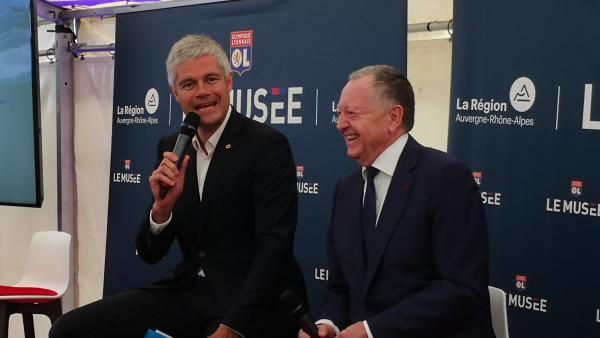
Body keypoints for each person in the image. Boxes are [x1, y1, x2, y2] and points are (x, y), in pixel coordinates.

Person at [50, 34, 306, 338]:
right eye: (189, 84)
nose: (202, 92)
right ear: (174, 93)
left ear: (229, 82)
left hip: (254, 301)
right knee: (70, 329)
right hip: (188, 290)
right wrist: (161, 210)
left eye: (211, 79)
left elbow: (274, 251)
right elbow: (149, 253)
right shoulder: (172, 146)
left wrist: (231, 328)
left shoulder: (266, 146)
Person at [299, 65, 495, 338]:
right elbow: (340, 287)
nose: (340, 124)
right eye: (339, 113)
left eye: (351, 113)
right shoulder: (347, 190)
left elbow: (461, 288)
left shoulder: (445, 177)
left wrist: (372, 330)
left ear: (393, 117)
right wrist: (328, 324)